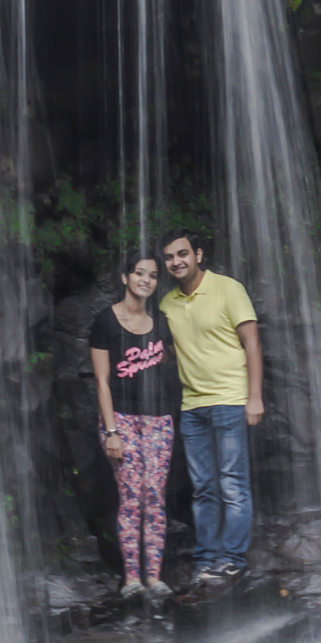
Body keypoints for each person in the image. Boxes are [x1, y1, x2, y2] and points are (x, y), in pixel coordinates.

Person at [159, 226, 264, 589]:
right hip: (192, 407)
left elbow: (251, 343)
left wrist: (255, 396)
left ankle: (233, 561)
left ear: (198, 255)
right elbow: (167, 351)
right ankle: (207, 561)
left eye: (182, 253)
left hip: (231, 400)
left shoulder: (228, 289)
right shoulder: (167, 304)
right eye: (170, 256)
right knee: (203, 488)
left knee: (232, 484)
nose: (176, 261)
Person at [89, 252, 182, 599]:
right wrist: (111, 431)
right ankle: (131, 580)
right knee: (131, 496)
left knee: (155, 497)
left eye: (153, 275)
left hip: (159, 420)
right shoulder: (106, 321)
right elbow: (101, 382)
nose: (146, 280)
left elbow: (177, 359)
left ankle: (154, 577)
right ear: (126, 277)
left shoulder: (161, 323)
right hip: (122, 420)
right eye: (139, 273)